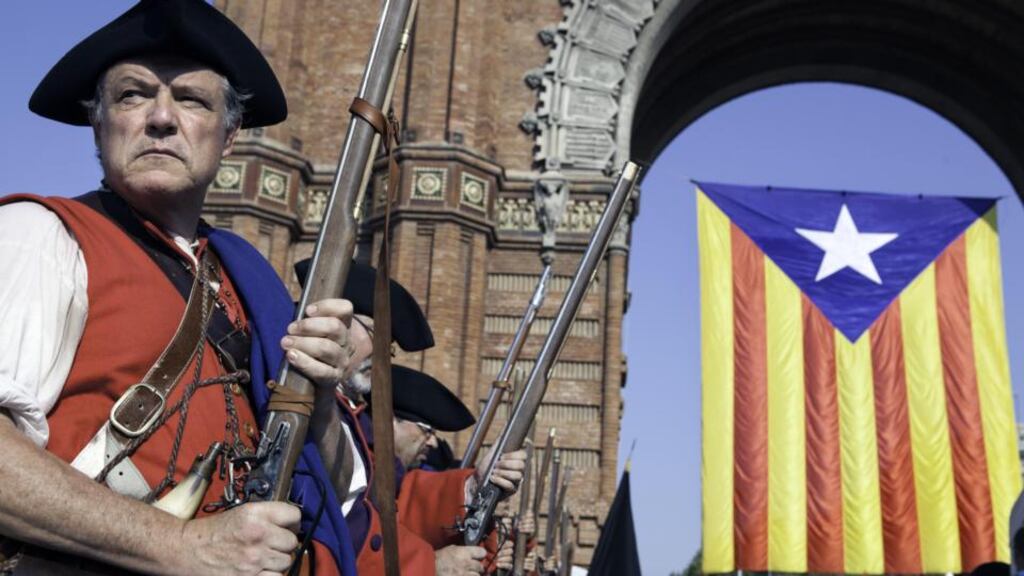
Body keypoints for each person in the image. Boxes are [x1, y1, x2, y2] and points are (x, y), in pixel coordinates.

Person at [0, 1, 360, 574]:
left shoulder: (250, 287)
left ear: (230, 137)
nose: (161, 117)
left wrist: (317, 402)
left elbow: (338, 493)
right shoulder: (38, 237)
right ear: (100, 123)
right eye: (132, 95)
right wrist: (181, 546)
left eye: (191, 100)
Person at [297, 258, 529, 575]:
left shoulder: (354, 418)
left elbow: (399, 504)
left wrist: (475, 483)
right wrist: (426, 566)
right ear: (336, 320)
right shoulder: (306, 396)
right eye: (376, 336)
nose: (382, 357)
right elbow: (347, 522)